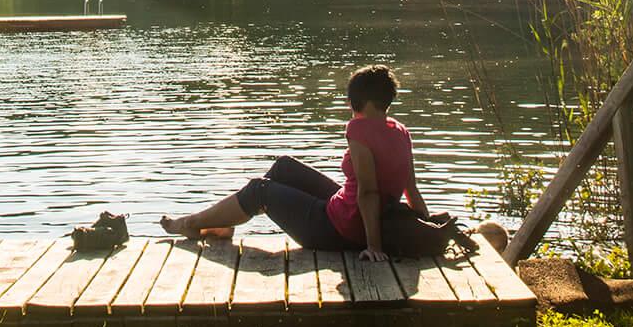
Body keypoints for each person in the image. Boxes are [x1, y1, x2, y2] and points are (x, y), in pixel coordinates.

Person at [159, 64, 457, 260]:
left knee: (260, 190)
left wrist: (373, 247)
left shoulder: (359, 129)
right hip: (351, 214)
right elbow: (411, 190)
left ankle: (191, 223)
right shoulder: (400, 131)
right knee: (284, 166)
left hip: (338, 229)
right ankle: (220, 222)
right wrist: (426, 226)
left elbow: (368, 192)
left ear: (360, 101)